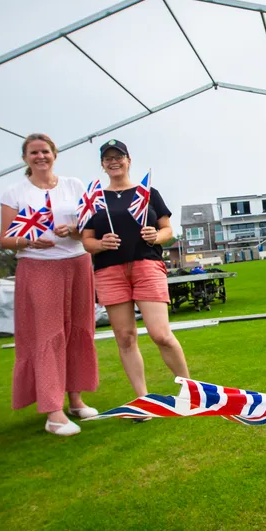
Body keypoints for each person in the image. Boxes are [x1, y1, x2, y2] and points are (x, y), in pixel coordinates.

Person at [0, 133, 99, 436]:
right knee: (48, 335)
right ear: (25, 158)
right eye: (34, 152)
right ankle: (53, 412)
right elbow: (4, 239)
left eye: (45, 151)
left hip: (77, 262)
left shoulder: (74, 186)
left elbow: (89, 226)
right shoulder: (14, 192)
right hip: (38, 267)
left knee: (79, 330)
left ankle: (75, 398)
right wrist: (28, 240)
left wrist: (73, 230)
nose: (40, 156)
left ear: (54, 154)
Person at [81, 139, 190, 401]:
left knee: (161, 334)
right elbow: (86, 241)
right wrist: (100, 243)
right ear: (102, 165)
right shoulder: (94, 198)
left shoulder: (148, 192)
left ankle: (190, 389)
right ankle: (143, 399)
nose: (114, 161)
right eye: (108, 158)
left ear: (128, 160)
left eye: (118, 156)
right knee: (126, 338)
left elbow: (167, 231)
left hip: (146, 266)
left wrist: (155, 236)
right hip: (109, 271)